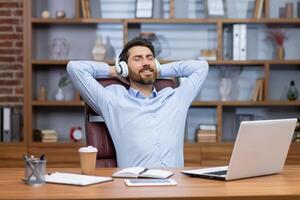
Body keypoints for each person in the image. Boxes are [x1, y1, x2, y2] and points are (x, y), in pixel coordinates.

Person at [67, 37, 209, 168]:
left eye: (150, 58)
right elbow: (75, 68)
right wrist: (114, 70)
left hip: (175, 186)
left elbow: (201, 67)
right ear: (124, 66)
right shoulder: (112, 100)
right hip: (135, 187)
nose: (146, 63)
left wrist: (159, 69)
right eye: (138, 59)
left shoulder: (176, 98)